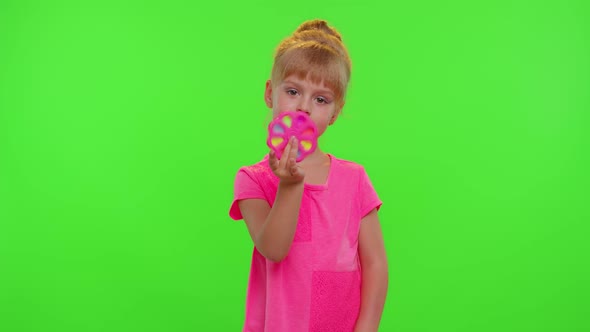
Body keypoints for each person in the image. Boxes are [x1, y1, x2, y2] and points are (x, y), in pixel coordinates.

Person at [229, 19, 388, 332]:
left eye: (321, 99)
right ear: (269, 94)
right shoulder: (253, 179)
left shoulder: (355, 179)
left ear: (335, 112)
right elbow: (274, 250)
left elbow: (375, 263)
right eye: (292, 91)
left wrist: (366, 328)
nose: (303, 107)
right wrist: (290, 186)